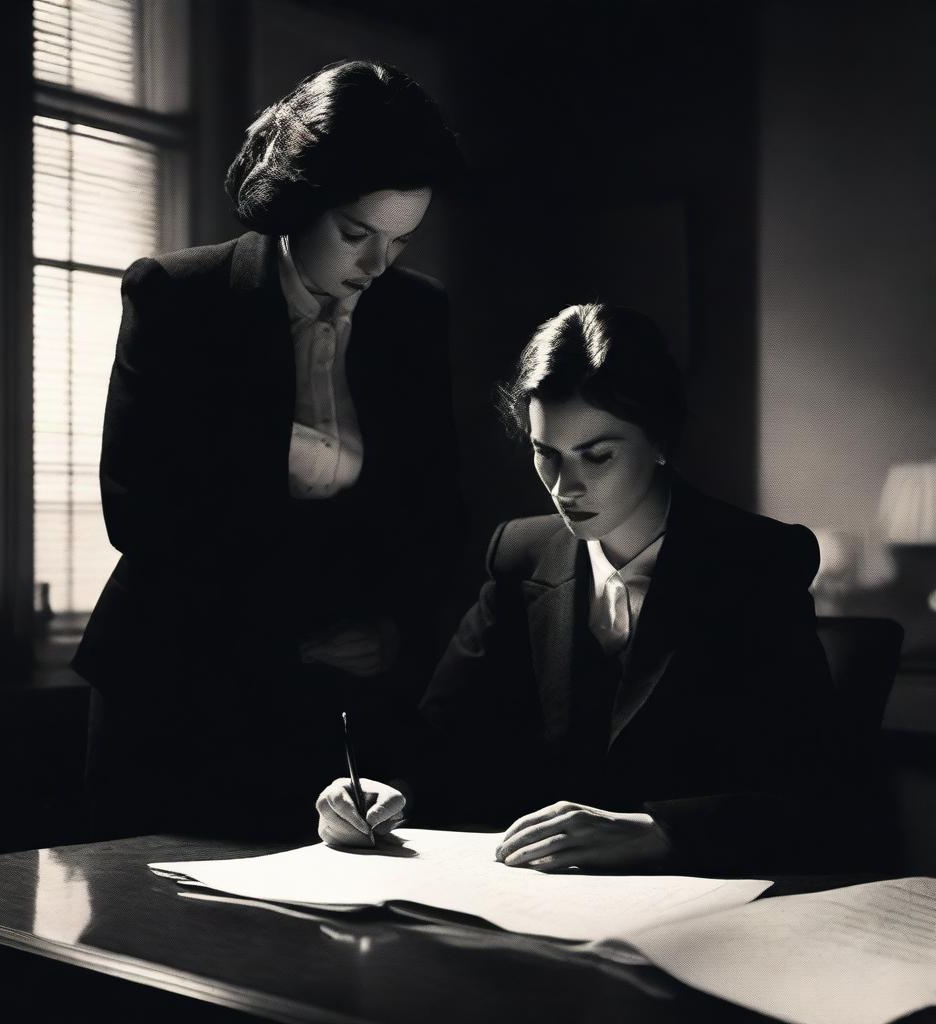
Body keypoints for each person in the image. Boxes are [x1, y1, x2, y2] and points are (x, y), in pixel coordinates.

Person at [73, 60, 465, 839]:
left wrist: (390, 630)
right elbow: (142, 514)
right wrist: (289, 635)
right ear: (299, 202)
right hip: (178, 683)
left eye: (400, 241)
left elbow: (431, 508)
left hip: (334, 703)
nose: (377, 266)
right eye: (356, 235)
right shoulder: (179, 297)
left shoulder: (414, 315)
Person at [316, 302, 842, 875]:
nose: (566, 487)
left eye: (598, 455)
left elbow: (815, 797)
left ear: (661, 439)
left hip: (712, 915)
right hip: (544, 909)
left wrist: (657, 832)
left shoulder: (757, 562)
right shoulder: (521, 555)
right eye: (547, 454)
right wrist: (384, 793)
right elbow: (437, 744)